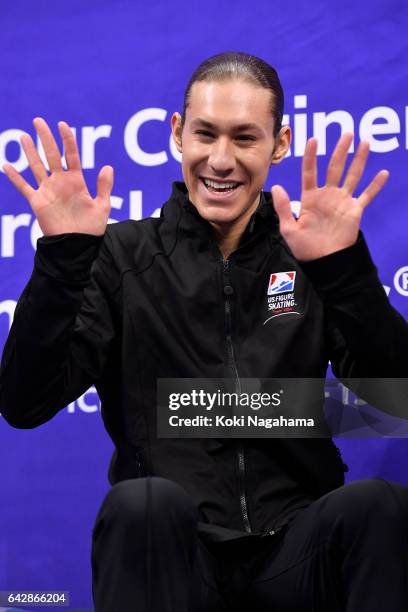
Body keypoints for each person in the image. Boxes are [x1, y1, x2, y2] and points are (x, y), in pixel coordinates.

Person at [1, 51, 408, 612]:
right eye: (205, 134)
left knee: (381, 505)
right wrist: (64, 259)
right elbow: (24, 402)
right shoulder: (121, 256)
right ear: (177, 133)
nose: (221, 160)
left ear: (279, 143)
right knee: (141, 506)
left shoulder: (311, 256)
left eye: (245, 138)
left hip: (295, 554)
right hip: (179, 557)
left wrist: (343, 274)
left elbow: (397, 403)